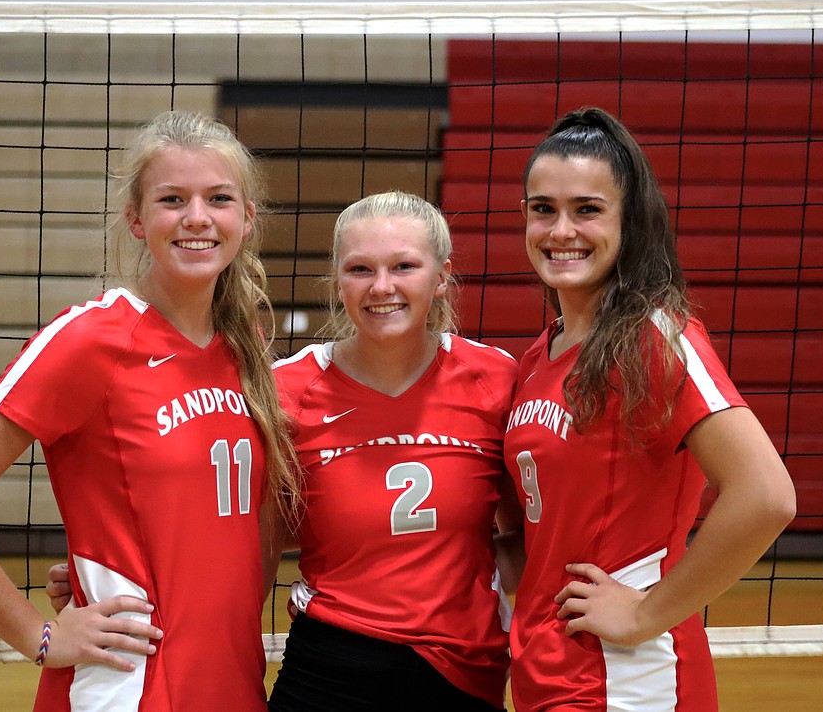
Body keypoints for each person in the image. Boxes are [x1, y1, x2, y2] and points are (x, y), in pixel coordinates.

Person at [50, 190, 522, 710]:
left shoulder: (494, 379)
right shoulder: (285, 391)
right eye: (360, 269)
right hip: (331, 667)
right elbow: (234, 530)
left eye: (404, 266)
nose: (381, 286)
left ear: (441, 278)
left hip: (463, 670)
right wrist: (112, 571)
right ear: (337, 281)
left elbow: (521, 539)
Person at [0, 111, 298, 712]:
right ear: (136, 220)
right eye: (171, 199)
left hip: (232, 683)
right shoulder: (88, 341)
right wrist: (40, 634)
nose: (196, 217)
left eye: (218, 198)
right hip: (125, 688)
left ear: (245, 218)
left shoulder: (250, 353)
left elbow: (245, 525)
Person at [502, 107, 797, 711]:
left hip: (632, 680)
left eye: (588, 209)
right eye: (543, 209)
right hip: (547, 671)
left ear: (629, 221)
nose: (561, 230)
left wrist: (645, 613)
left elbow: (767, 496)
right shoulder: (539, 355)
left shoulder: (654, 338)